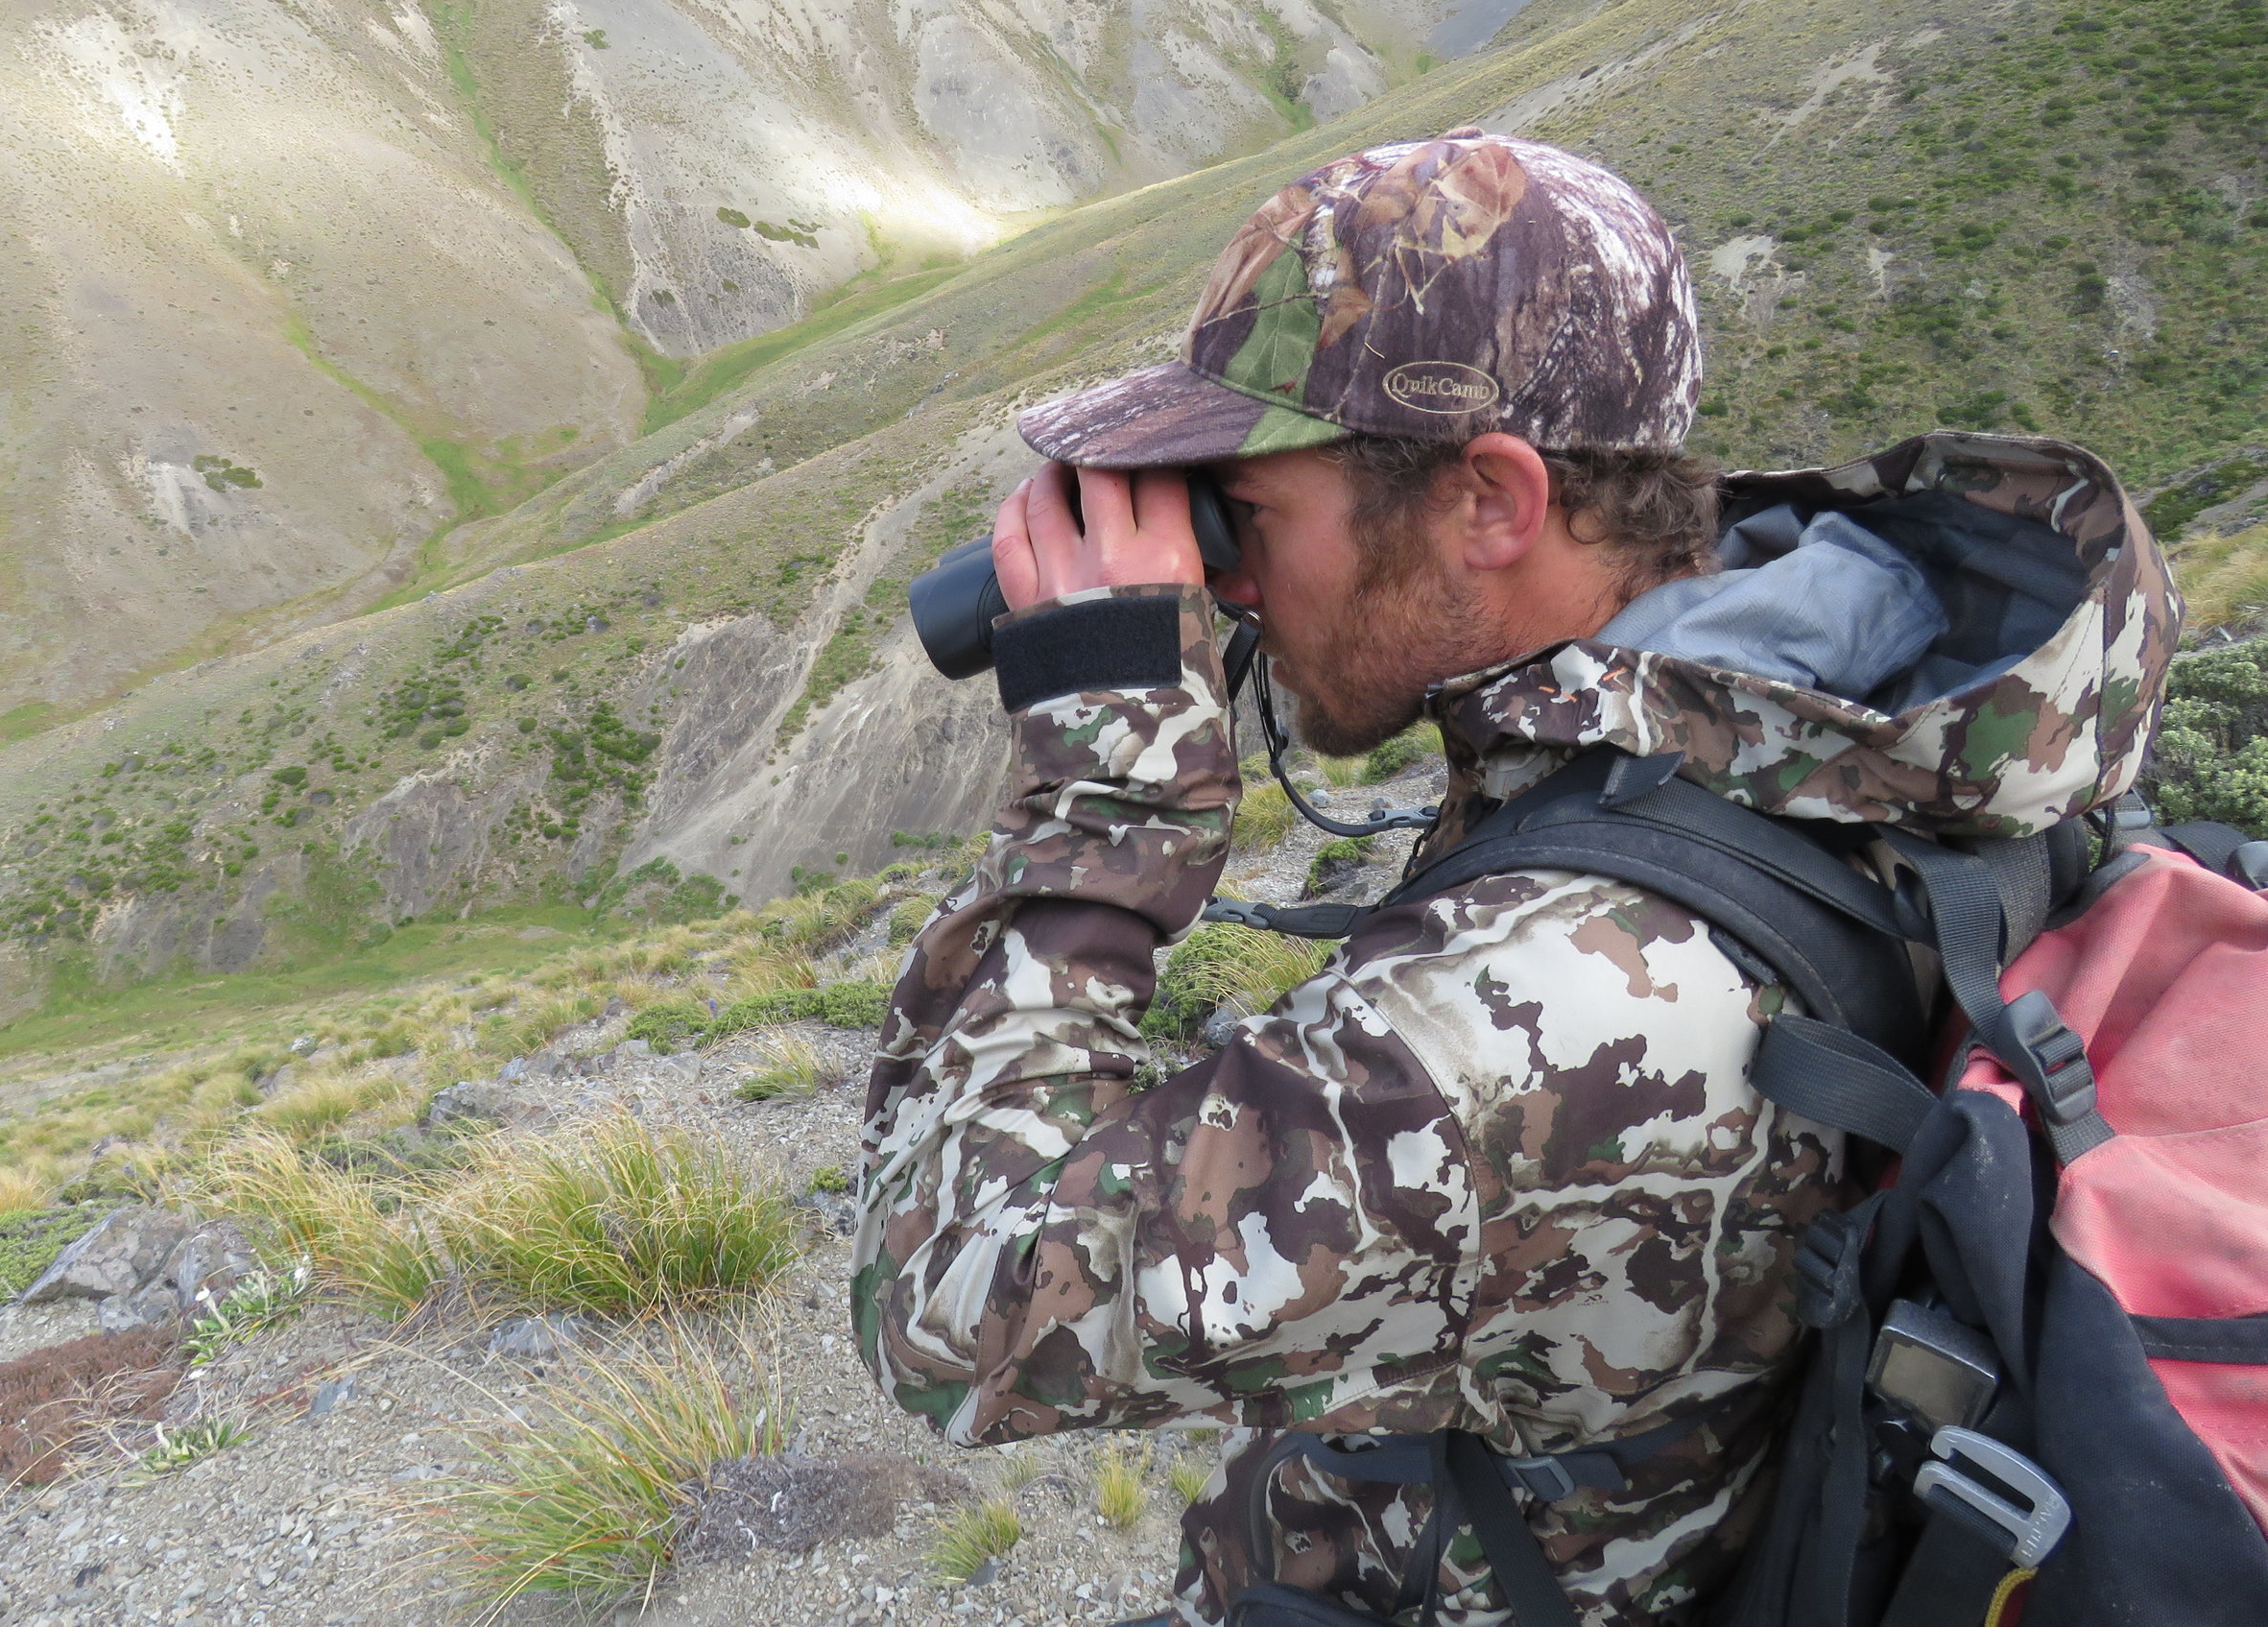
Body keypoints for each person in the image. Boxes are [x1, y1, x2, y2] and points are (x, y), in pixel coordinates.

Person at [850, 125, 2175, 1625]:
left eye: (1248, 510)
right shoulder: (1828, 708)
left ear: (1492, 500)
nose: (1219, 576)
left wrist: (1107, 797)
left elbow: (948, 1307)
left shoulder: (1532, 1008)